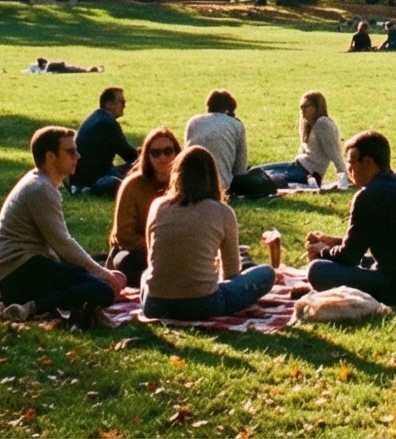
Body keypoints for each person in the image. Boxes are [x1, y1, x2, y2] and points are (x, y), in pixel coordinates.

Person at [0, 126, 125, 324]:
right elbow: (62, 243)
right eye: (70, 152)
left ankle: (35, 304)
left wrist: (91, 271)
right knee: (102, 290)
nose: (78, 156)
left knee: (93, 280)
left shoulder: (40, 183)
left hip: (22, 271)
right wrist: (101, 273)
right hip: (19, 276)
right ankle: (31, 307)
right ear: (51, 156)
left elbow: (57, 248)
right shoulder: (40, 189)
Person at [306, 130, 396, 304]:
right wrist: (331, 241)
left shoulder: (368, 196)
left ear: (368, 162)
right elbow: (367, 241)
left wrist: (322, 252)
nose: (349, 170)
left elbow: (349, 257)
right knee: (366, 262)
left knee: (318, 270)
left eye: (351, 163)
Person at [140, 146, 280, 321]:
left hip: (154, 305)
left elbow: (151, 255)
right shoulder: (222, 211)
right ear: (213, 176)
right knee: (267, 273)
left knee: (147, 274)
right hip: (203, 304)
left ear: (177, 174)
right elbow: (231, 272)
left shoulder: (157, 206)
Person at [106, 126, 180, 287]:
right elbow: (123, 235)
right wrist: (160, 247)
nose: (163, 158)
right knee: (129, 263)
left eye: (168, 151)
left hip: (178, 250)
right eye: (156, 153)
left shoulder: (185, 185)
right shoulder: (132, 185)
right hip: (138, 250)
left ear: (177, 153)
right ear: (147, 156)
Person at [242, 91, 343, 190]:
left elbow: (335, 153)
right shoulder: (309, 124)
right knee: (254, 172)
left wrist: (344, 178)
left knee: (257, 178)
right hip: (297, 167)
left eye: (306, 106)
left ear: (317, 106)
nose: (303, 110)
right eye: (301, 107)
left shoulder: (323, 123)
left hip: (307, 173)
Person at [185, 90, 249, 196]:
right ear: (228, 110)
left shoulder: (193, 122)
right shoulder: (236, 125)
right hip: (221, 189)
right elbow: (240, 169)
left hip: (190, 187)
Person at [75, 88, 136, 196]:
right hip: (97, 178)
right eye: (121, 102)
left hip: (80, 178)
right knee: (140, 168)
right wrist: (146, 155)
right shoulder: (108, 123)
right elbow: (128, 155)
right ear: (108, 104)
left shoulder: (94, 118)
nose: (124, 106)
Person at [25, 56, 100, 74]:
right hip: (61, 68)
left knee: (77, 69)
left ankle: (92, 69)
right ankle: (92, 70)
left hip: (58, 68)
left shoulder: (45, 66)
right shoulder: (49, 65)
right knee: (77, 69)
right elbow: (62, 63)